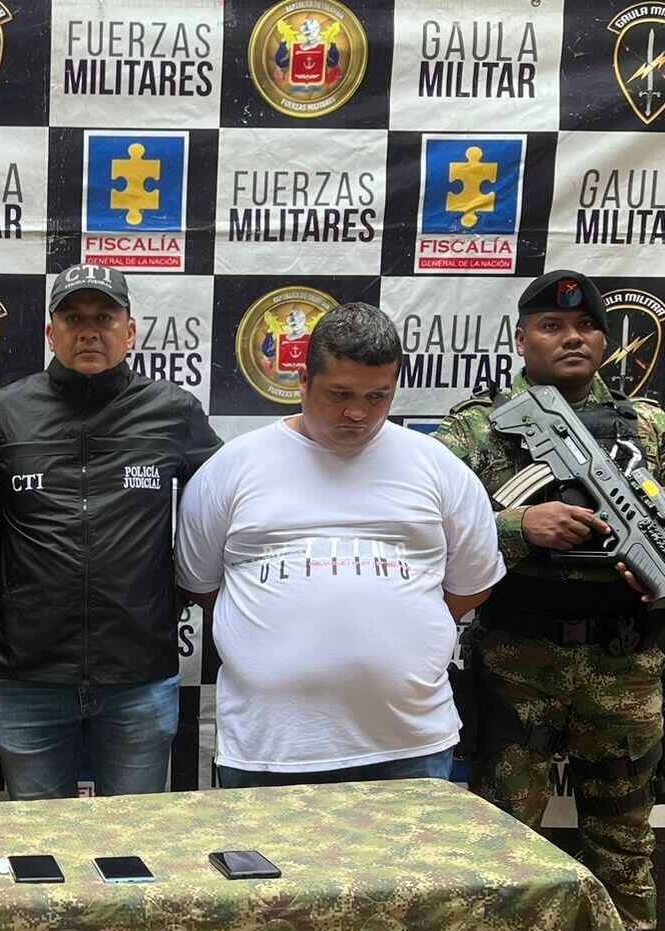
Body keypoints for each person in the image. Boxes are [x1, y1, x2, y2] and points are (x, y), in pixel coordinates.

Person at [433, 269, 665, 931]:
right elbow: (425, 521)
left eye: (586, 327)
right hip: (516, 662)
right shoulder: (475, 427)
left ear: (603, 340)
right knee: (502, 848)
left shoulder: (649, 426)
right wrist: (517, 525)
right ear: (521, 340)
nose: (572, 338)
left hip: (625, 666)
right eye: (552, 327)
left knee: (624, 850)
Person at [176, 303, 505, 786]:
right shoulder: (232, 468)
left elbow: (471, 587)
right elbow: (201, 585)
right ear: (303, 381)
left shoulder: (439, 468)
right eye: (340, 394)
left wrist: (397, 628)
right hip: (270, 748)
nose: (358, 412)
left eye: (377, 396)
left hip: (409, 744)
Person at [0, 263, 221, 799]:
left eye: (104, 318)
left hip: (139, 671)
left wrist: (189, 585)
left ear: (129, 332)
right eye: (73, 318)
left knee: (132, 841)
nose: (88, 331)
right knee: (39, 842)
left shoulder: (173, 411)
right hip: (29, 672)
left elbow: (224, 503)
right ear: (50, 332)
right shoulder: (2, 413)